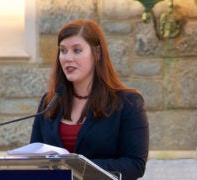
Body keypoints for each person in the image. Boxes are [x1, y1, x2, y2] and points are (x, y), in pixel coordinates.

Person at [30, 19, 149, 180]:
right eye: (63, 51)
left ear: (97, 54)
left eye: (77, 50)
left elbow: (135, 165)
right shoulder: (49, 102)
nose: (68, 58)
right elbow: (33, 158)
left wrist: (76, 168)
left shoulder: (128, 102)